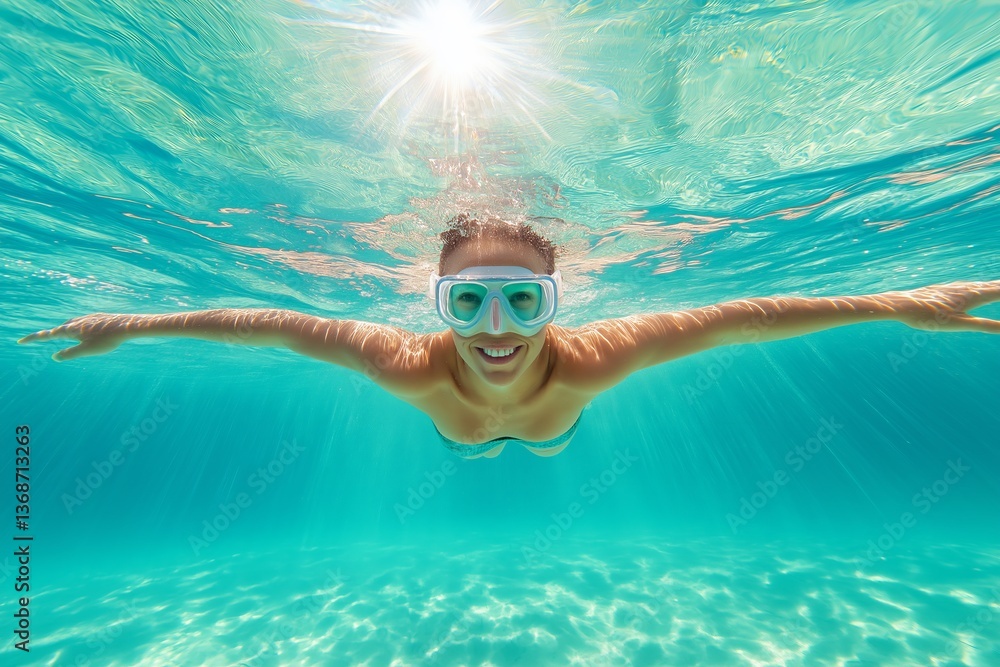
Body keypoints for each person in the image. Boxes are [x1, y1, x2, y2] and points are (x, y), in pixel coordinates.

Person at [17, 214, 1000, 459]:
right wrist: (125, 323)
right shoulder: (397, 360)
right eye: (470, 303)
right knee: (483, 444)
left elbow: (741, 316)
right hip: (456, 430)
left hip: (553, 423)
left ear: (555, 306)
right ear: (436, 307)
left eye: (521, 302)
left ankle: (544, 445)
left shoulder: (596, 357)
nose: (496, 331)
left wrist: (902, 302)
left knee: (543, 439)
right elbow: (265, 322)